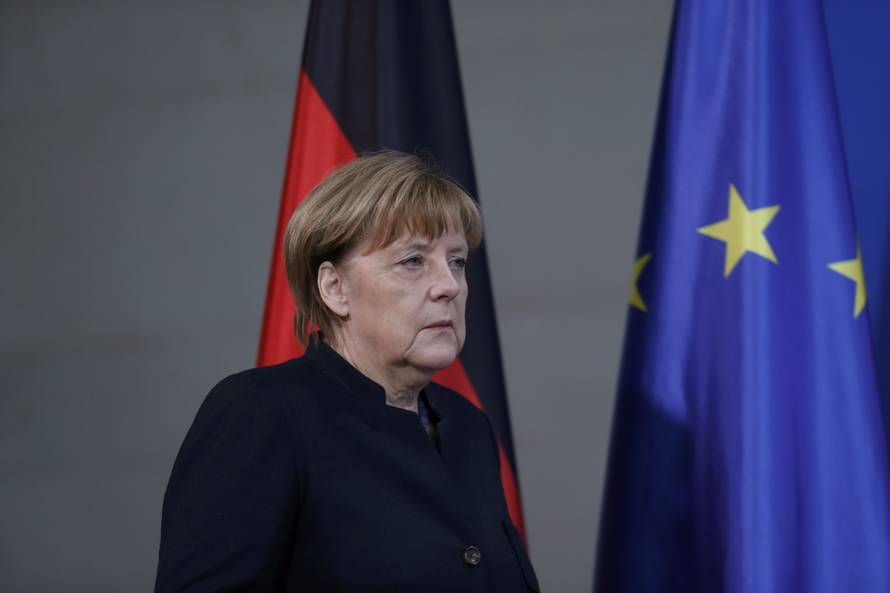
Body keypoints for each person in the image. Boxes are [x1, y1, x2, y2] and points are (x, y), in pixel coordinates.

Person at [153, 151, 540, 592]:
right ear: (335, 288)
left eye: (456, 261)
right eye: (413, 261)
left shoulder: (468, 428)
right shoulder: (263, 414)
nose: (449, 285)